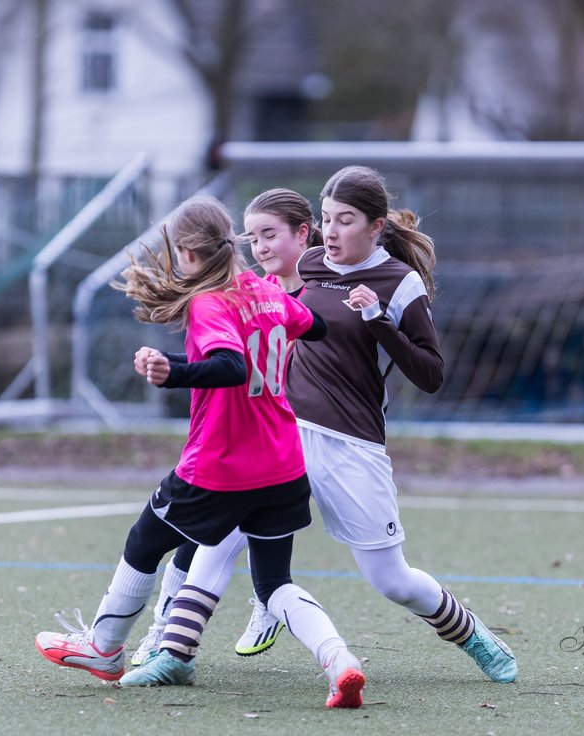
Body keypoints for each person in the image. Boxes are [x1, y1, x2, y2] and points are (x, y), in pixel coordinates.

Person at [130, 171, 517, 685]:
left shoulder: (398, 282)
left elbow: (431, 374)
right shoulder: (305, 263)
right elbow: (253, 291)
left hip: (350, 443)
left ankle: (474, 636)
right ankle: (172, 651)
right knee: (214, 542)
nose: (332, 231)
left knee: (392, 580)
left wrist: (379, 319)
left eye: (346, 220)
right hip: (279, 436)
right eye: (327, 218)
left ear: (376, 226)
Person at [34, 195, 366, 708]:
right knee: (275, 583)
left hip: (219, 467)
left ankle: (104, 649)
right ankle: (340, 661)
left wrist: (173, 371)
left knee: (144, 541)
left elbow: (231, 367)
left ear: (190, 252)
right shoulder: (264, 289)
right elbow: (314, 325)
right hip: (281, 466)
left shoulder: (211, 302)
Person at [126, 188, 322, 665]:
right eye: (252, 237)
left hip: (286, 443)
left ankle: (171, 644)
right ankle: (169, 643)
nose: (260, 246)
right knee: (199, 547)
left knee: (387, 574)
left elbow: (305, 333)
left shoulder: (292, 292)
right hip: (254, 444)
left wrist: (173, 371)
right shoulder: (256, 289)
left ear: (303, 235)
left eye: (269, 234)